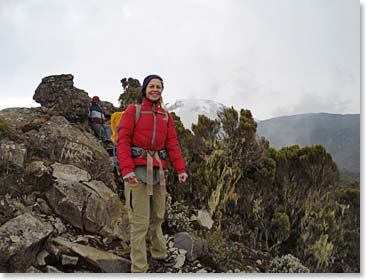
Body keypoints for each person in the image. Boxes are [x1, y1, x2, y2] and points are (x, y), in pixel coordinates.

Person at [117, 74, 188, 273]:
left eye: (159, 87)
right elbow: (122, 140)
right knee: (139, 222)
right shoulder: (134, 110)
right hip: (136, 173)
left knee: (158, 216)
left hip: (157, 173)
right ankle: (139, 269)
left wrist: (181, 169)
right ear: (145, 89)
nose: (155, 90)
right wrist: (127, 170)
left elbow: (172, 145)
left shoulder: (166, 116)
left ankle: (159, 252)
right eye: (152, 86)